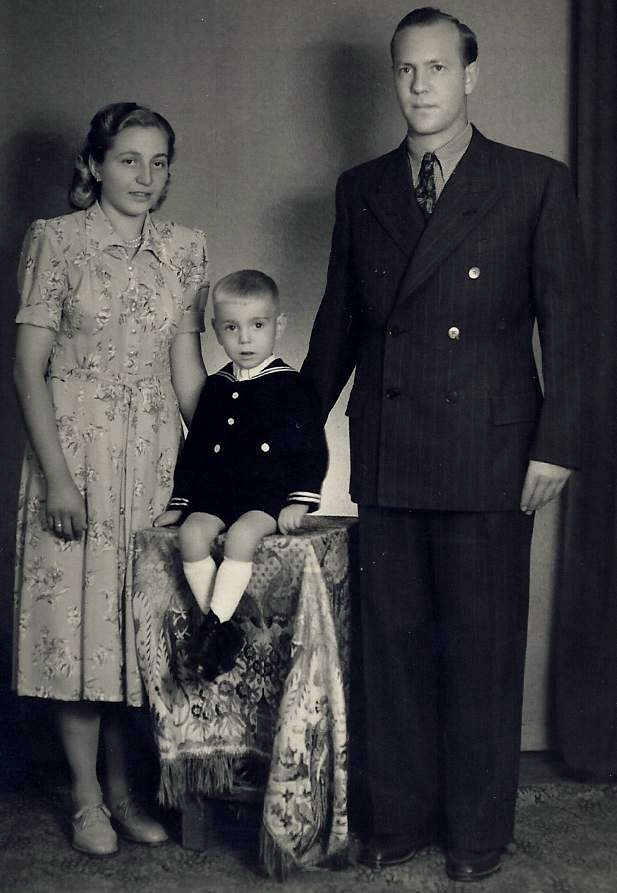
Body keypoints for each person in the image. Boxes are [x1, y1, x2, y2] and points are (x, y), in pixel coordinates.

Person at [301, 7, 584, 883]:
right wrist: (282, 442)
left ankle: (475, 831)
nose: (418, 85)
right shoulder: (363, 186)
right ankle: (400, 818)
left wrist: (557, 443)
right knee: (391, 647)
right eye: (403, 70)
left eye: (435, 67)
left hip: (492, 450)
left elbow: (570, 327)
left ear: (471, 77)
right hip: (386, 447)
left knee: (479, 647)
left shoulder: (532, 182)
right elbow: (337, 326)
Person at [12, 102, 208, 856]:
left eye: (158, 162)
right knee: (78, 630)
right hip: (76, 456)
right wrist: (58, 479)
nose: (144, 177)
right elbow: (28, 369)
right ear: (94, 165)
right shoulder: (55, 242)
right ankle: (87, 796)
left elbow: (187, 374)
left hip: (155, 460)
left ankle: (127, 792)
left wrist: (217, 465)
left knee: (134, 633)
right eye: (128, 159)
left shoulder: (184, 249)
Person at [155, 269, 328, 680]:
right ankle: (221, 628)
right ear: (216, 330)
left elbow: (310, 449)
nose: (245, 339)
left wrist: (299, 499)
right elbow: (195, 451)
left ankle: (212, 629)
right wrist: (180, 505)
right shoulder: (215, 387)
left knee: (241, 537)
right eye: (232, 328)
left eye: (258, 326)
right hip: (216, 495)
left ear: (278, 327)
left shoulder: (292, 387)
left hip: (265, 496)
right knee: (192, 536)